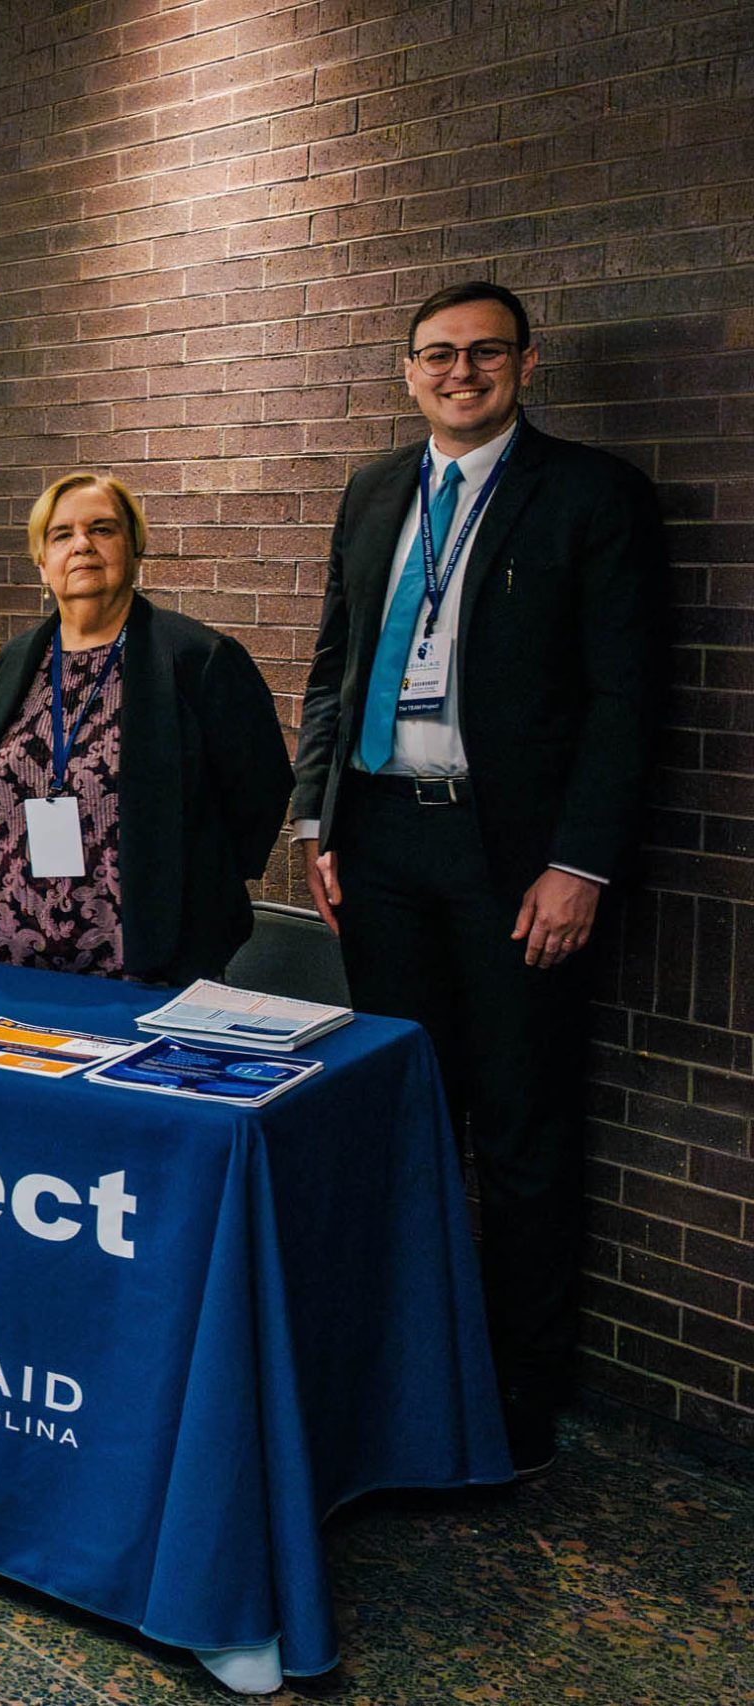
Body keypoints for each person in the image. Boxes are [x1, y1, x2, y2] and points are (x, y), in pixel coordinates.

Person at [290, 281, 664, 1477]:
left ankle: (517, 1389)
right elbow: (333, 665)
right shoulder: (371, 489)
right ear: (407, 371)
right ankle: (407, 1359)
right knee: (403, 1109)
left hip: (512, 859)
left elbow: (625, 696)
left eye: (484, 352)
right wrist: (318, 820)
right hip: (381, 839)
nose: (460, 372)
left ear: (526, 363)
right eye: (437, 354)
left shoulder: (590, 495)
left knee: (518, 1127)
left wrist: (578, 863)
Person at [0, 474, 293, 982]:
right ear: (41, 562)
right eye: (62, 535)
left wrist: (204, 887)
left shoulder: (197, 658)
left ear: (134, 549)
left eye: (102, 529)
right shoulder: (9, 666)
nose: (82, 545)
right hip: (7, 949)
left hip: (145, 956)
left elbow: (259, 790)